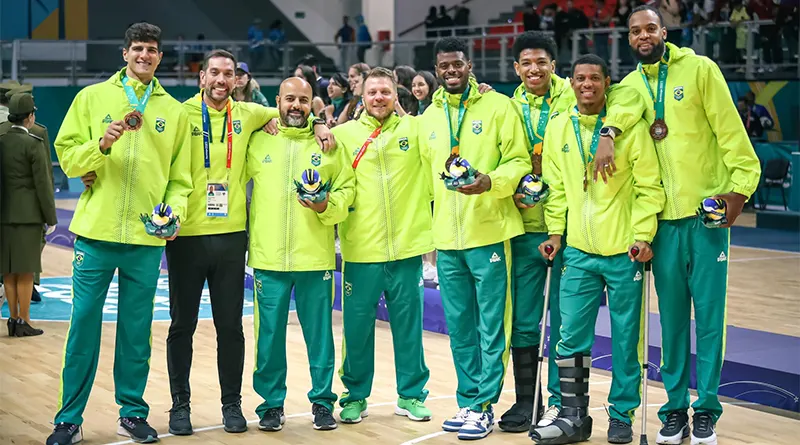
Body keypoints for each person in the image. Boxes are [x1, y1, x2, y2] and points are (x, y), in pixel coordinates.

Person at [163, 49, 335, 437]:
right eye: (215, 73)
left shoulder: (251, 116)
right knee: (182, 326)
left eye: (229, 74)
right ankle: (180, 405)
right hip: (187, 234)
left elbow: (295, 112)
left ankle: (232, 405)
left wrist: (322, 123)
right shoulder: (180, 114)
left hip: (231, 237)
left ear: (238, 80)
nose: (222, 80)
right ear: (202, 77)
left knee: (231, 328)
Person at [46, 22, 194, 445]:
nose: (144, 55)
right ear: (124, 53)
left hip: (146, 240)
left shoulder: (174, 111)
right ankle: (68, 420)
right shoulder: (92, 98)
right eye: (137, 48)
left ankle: (131, 413)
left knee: (136, 332)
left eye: (151, 49)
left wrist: (174, 212)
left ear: (160, 56)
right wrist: (101, 144)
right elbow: (68, 157)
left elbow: (181, 179)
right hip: (96, 235)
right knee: (83, 329)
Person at [621, 6, 761, 445]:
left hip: (707, 217)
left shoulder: (700, 70)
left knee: (710, 319)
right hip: (662, 223)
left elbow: (732, 135)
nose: (643, 36)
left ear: (664, 31)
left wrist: (738, 192)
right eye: (635, 31)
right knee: (673, 321)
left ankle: (707, 410)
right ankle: (674, 408)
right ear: (628, 39)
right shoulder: (627, 88)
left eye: (650, 28)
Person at [499, 31, 647, 433]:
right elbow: (557, 185)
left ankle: (593, 411)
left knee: (600, 332)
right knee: (541, 327)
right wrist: (555, 230)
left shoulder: (582, 102)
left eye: (541, 62)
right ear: (516, 68)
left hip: (603, 241)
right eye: (525, 63)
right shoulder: (509, 107)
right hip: (538, 229)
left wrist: (609, 132)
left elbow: (628, 100)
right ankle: (550, 408)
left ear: (554, 66)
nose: (534, 69)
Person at [530, 54, 665, 445]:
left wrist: (642, 235)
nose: (586, 84)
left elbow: (648, 188)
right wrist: (556, 233)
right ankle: (573, 416)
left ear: (608, 83)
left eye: (594, 78)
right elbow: (554, 187)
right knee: (570, 336)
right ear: (570, 83)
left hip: (625, 253)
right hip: (579, 254)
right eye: (579, 78)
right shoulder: (559, 127)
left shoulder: (631, 130)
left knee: (626, 340)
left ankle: (621, 415)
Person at [418, 37, 531, 440]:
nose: (451, 71)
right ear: (437, 69)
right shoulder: (428, 118)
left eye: (458, 64)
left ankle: (484, 405)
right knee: (460, 327)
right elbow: (421, 180)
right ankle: (468, 402)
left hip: (490, 232)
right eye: (444, 65)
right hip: (448, 239)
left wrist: (491, 182)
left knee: (491, 326)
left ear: (470, 65)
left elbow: (519, 160)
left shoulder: (499, 106)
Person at [246, 76, 355, 432]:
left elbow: (346, 192)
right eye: (289, 99)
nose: (296, 106)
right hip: (268, 258)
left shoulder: (329, 145)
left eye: (304, 100)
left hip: (315, 258)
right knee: (269, 337)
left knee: (320, 336)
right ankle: (271, 404)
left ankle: (323, 402)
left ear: (314, 104)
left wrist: (327, 206)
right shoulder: (258, 139)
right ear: (276, 101)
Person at [330, 67, 433, 425]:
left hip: (406, 249)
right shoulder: (342, 135)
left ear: (395, 96)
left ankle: (411, 395)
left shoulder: (415, 129)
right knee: (357, 330)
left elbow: (447, 117)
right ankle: (354, 396)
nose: (378, 98)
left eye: (385, 92)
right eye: (372, 92)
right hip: (361, 250)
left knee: (409, 328)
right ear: (362, 97)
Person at [0, 92, 57, 337]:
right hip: (28, 215)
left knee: (8, 271)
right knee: (25, 271)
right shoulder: (33, 143)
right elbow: (43, 185)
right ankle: (24, 320)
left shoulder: (1, 140)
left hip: (4, 214)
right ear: (30, 117)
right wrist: (51, 218)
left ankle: (12, 319)